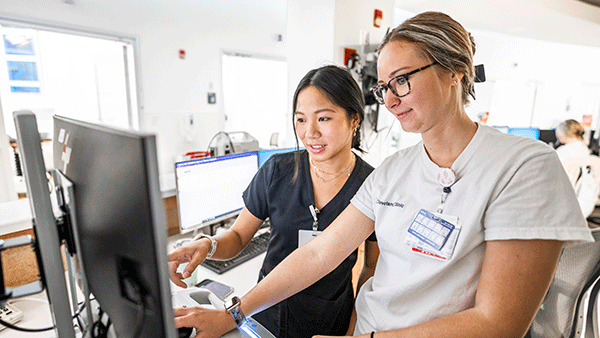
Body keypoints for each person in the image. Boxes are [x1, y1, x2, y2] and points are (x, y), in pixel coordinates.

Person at [176, 12, 593, 338]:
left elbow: (498, 324)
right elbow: (321, 253)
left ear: (454, 72)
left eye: (402, 81)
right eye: (383, 87)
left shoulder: (525, 166)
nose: (390, 100)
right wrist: (236, 313)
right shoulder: (394, 172)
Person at [169, 65, 379, 338]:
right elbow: (238, 236)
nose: (309, 132)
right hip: (263, 312)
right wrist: (208, 245)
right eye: (301, 119)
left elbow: (371, 267)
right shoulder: (277, 171)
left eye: (324, 119)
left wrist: (353, 330)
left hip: (328, 321)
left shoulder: (372, 185)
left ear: (355, 120)